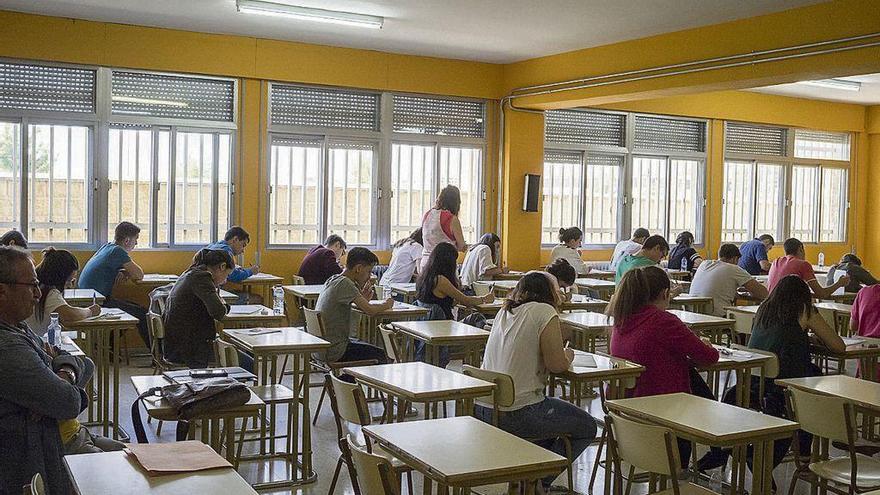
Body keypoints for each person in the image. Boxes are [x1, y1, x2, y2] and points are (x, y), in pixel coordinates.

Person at [697, 275, 845, 473]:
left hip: (753, 380)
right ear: (803, 296)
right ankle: (804, 451)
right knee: (814, 385)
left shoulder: (763, 310)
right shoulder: (804, 311)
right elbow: (839, 346)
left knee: (812, 376)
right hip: (784, 383)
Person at [475, 271, 598, 493]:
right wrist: (568, 355)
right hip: (518, 412)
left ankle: (530, 477)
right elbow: (557, 364)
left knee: (550, 416)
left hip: (484, 408)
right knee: (587, 426)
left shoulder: (505, 311)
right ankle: (540, 479)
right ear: (551, 293)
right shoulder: (544, 311)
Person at [0, 246, 91, 494]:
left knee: (141, 457)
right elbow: (69, 402)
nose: (38, 294)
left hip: (63, 436)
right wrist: (62, 380)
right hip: (47, 454)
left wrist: (61, 374)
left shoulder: (18, 326)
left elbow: (82, 362)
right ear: (2, 290)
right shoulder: (7, 347)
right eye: (31, 286)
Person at [608, 265, 719, 465]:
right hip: (664, 411)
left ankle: (719, 449)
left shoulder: (622, 317)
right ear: (666, 293)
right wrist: (704, 344)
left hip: (627, 410)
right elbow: (709, 357)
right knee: (699, 389)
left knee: (692, 377)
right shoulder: (663, 321)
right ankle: (720, 445)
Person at [415, 242, 494, 365]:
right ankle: (485, 356)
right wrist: (485, 298)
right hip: (443, 333)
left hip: (429, 331)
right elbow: (466, 301)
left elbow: (451, 301)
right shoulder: (441, 280)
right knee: (477, 318)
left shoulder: (425, 277)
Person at [315, 247, 393, 364]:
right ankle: (348, 380)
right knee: (382, 355)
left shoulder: (334, 279)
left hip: (321, 348)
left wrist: (363, 300)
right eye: (368, 271)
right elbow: (371, 311)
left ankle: (345, 379)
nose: (369, 277)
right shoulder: (346, 284)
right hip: (336, 350)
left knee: (367, 348)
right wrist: (387, 304)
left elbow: (359, 306)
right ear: (358, 268)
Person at [78, 221, 150, 347]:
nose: (136, 243)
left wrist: (124, 271)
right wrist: (127, 271)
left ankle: (107, 346)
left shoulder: (107, 247)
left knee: (134, 309)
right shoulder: (118, 252)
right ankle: (157, 356)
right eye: (136, 239)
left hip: (87, 297)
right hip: (97, 302)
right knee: (142, 314)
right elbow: (139, 275)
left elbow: (110, 267)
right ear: (127, 240)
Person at [163, 249, 234, 368]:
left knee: (235, 352)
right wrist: (225, 305)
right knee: (246, 361)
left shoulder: (191, 272)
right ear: (222, 266)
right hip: (189, 349)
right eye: (227, 275)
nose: (225, 281)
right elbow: (219, 312)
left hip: (179, 343)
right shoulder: (202, 277)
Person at [28, 248, 101, 336]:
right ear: (59, 277)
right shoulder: (50, 293)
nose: (70, 285)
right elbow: (69, 315)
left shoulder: (39, 286)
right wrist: (90, 311)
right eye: (68, 280)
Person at [689, 244, 768, 316]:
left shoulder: (704, 264)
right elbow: (763, 294)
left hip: (693, 313)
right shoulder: (733, 268)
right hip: (717, 315)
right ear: (735, 259)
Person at [767, 238, 849, 298]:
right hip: (789, 311)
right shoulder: (803, 264)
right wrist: (839, 283)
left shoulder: (775, 262)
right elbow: (822, 294)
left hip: (770, 308)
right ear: (800, 249)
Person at [420, 185, 467, 272]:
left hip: (425, 263)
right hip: (443, 266)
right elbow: (461, 246)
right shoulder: (452, 219)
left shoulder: (427, 215)